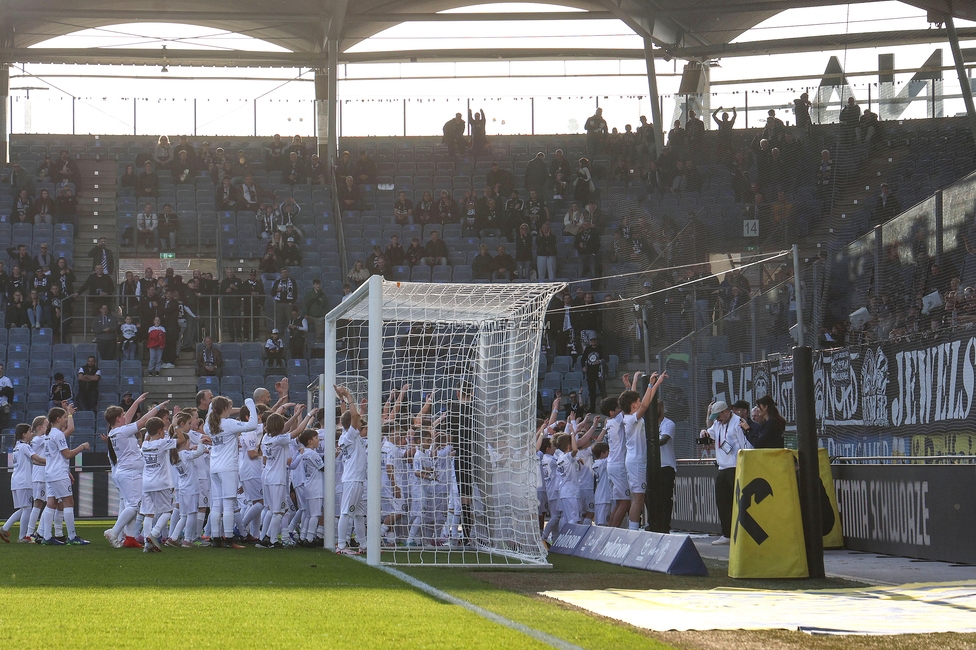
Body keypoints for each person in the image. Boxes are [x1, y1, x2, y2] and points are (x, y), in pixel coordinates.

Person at [102, 395, 169, 548]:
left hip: (124, 472)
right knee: (134, 505)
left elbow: (128, 417)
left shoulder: (115, 430)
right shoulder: (122, 431)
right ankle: (114, 532)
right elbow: (144, 421)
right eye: (122, 416)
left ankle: (129, 538)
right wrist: (157, 408)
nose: (125, 417)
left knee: (130, 505)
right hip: (129, 473)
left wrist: (137, 402)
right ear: (118, 419)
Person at [204, 395, 258, 548]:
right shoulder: (229, 423)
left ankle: (216, 538)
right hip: (228, 467)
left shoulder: (209, 424)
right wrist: (249, 403)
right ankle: (228, 539)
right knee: (228, 503)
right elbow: (253, 424)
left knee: (216, 504)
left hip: (214, 467)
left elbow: (211, 412)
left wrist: (213, 405)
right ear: (226, 409)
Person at [619, 371, 666, 530]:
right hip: (636, 461)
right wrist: (651, 384)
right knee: (638, 499)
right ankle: (633, 531)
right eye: (637, 401)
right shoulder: (632, 419)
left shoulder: (628, 417)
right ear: (633, 405)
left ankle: (634, 528)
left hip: (636, 460)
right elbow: (645, 404)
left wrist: (657, 383)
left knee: (639, 497)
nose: (640, 402)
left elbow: (643, 400)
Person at [37, 404, 90, 545]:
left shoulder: (49, 435)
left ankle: (46, 537)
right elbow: (66, 455)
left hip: (50, 473)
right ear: (58, 418)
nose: (66, 420)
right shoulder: (57, 434)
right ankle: (72, 537)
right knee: (68, 502)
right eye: (65, 417)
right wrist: (82, 447)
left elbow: (57, 456)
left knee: (51, 503)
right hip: (58, 473)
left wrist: (67, 471)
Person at [703, 400, 752, 545]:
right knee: (722, 502)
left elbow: (745, 444)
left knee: (737, 502)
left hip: (735, 466)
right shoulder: (718, 423)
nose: (717, 419)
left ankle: (742, 533)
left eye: (718, 416)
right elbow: (710, 432)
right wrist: (705, 432)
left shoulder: (738, 423)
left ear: (726, 412)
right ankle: (727, 533)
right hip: (722, 467)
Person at [334, 385, 367, 554]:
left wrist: (342, 400)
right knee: (346, 512)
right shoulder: (351, 435)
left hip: (356, 478)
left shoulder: (345, 434)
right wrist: (348, 395)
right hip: (353, 478)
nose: (361, 421)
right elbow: (352, 415)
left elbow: (344, 417)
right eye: (360, 420)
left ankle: (363, 545)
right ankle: (341, 545)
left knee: (359, 514)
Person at [0, 423, 45, 543]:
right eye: (30, 432)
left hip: (16, 481)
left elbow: (34, 462)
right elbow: (37, 458)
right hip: (24, 481)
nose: (32, 434)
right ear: (24, 434)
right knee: (27, 509)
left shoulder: (17, 447)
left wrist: (46, 464)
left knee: (23, 508)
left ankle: (4, 528)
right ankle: (22, 536)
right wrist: (52, 461)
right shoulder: (25, 447)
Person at [139, 416, 178, 553]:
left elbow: (146, 438)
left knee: (148, 514)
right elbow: (181, 440)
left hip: (146, 484)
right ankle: (154, 534)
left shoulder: (145, 445)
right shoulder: (162, 443)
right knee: (168, 511)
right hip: (161, 483)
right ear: (161, 430)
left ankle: (146, 545)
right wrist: (175, 425)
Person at [647, 402, 676, 534]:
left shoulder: (668, 424)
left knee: (665, 498)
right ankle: (653, 524)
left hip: (666, 465)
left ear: (662, 408)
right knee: (651, 497)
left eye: (656, 407)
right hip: (651, 466)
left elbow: (663, 440)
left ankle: (665, 526)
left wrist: (649, 440)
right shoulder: (647, 424)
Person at [582, 335, 605, 412]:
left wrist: (600, 361)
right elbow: (583, 359)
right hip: (590, 373)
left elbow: (606, 358)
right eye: (592, 340)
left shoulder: (601, 348)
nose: (593, 341)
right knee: (592, 391)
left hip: (599, 372)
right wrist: (583, 367)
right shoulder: (588, 349)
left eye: (594, 340)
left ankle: (605, 407)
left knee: (602, 391)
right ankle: (592, 408)